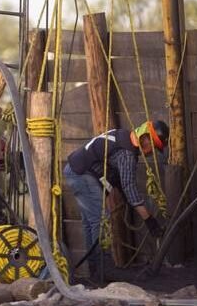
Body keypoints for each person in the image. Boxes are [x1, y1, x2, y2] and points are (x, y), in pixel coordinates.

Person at [63, 120, 169, 281]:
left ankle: (94, 270)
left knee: (90, 223)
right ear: (145, 138)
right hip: (83, 174)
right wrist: (150, 221)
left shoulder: (123, 135)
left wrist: (125, 195)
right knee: (100, 222)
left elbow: (119, 176)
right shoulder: (127, 154)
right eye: (153, 147)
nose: (151, 152)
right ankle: (101, 271)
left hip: (74, 170)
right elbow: (130, 188)